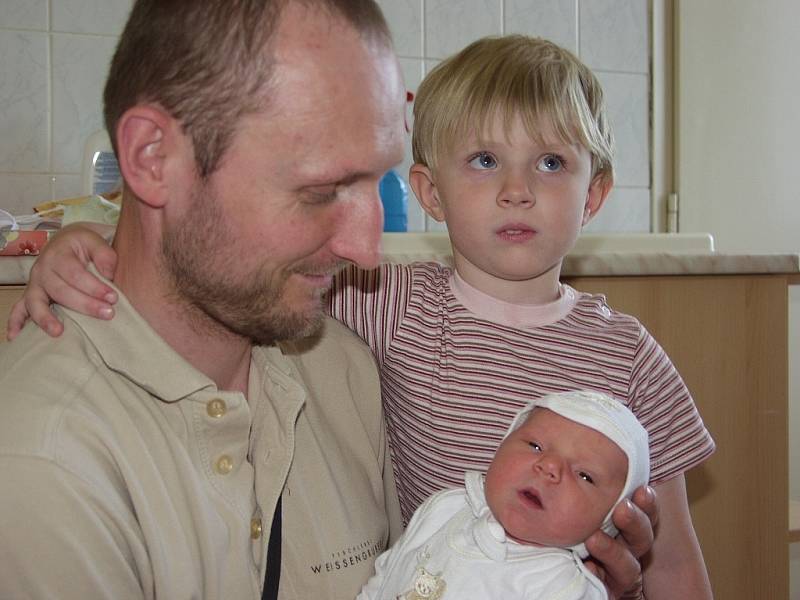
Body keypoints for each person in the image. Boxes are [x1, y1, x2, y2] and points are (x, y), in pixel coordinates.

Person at [5, 32, 663, 599]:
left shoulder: (627, 352)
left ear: (595, 190)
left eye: (552, 163)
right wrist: (82, 243)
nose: (518, 191)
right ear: (434, 191)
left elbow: (676, 561)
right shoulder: (388, 306)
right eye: (316, 186)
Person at [0, 1, 409, 598]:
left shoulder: (340, 366)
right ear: (152, 159)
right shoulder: (44, 467)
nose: (367, 251)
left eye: (379, 180)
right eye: (321, 190)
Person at [357, 391, 650, 600]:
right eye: (535, 445)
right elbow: (384, 577)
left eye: (585, 475)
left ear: (608, 523)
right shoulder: (444, 510)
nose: (549, 467)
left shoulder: (563, 587)